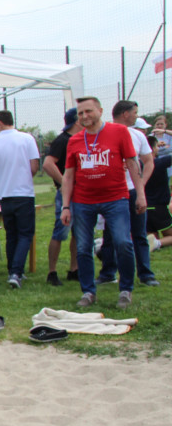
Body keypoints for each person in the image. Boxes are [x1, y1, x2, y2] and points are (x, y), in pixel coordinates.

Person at [60, 96, 143, 310]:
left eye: (88, 111)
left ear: (100, 110)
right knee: (83, 248)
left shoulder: (119, 132)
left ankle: (125, 289)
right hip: (84, 201)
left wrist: (141, 194)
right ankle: (88, 292)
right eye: (80, 113)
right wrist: (66, 206)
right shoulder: (75, 140)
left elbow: (132, 164)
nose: (84, 116)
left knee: (123, 242)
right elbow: (68, 176)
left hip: (115, 198)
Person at [96, 102, 157, 287]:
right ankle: (108, 272)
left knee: (139, 234)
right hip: (112, 193)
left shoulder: (138, 135)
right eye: (135, 113)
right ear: (125, 114)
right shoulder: (103, 133)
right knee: (110, 235)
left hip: (132, 192)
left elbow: (149, 161)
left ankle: (146, 274)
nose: (136, 117)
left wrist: (140, 185)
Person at [0, 109, 40, 288]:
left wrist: (2, 173)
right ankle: (16, 271)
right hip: (24, 193)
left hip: (4, 194)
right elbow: (34, 166)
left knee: (12, 234)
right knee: (25, 234)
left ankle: (12, 270)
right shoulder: (27, 139)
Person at [41, 107, 81, 286]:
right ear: (76, 120)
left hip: (82, 194)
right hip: (67, 196)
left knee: (78, 233)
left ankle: (74, 269)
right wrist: (65, 183)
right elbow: (48, 164)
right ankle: (52, 272)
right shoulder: (63, 140)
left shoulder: (82, 139)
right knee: (60, 232)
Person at [144, 134, 172, 249]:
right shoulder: (161, 163)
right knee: (168, 236)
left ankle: (153, 243)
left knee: (152, 235)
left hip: (145, 207)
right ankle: (157, 244)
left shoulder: (140, 165)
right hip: (159, 207)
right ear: (153, 148)